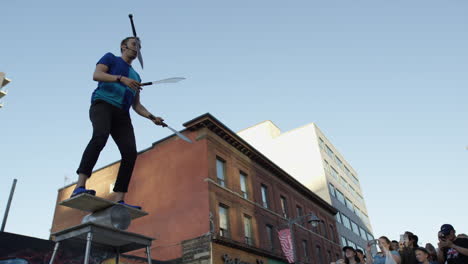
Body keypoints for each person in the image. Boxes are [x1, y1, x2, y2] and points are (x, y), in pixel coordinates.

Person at [72, 37, 165, 209]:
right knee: (100, 136)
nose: (137, 49)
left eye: (139, 47)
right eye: (134, 45)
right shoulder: (110, 58)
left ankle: (119, 199)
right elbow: (96, 75)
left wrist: (153, 117)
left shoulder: (136, 76)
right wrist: (121, 79)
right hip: (103, 104)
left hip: (122, 114)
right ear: (123, 47)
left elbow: (136, 105)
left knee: (130, 153)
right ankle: (80, 186)